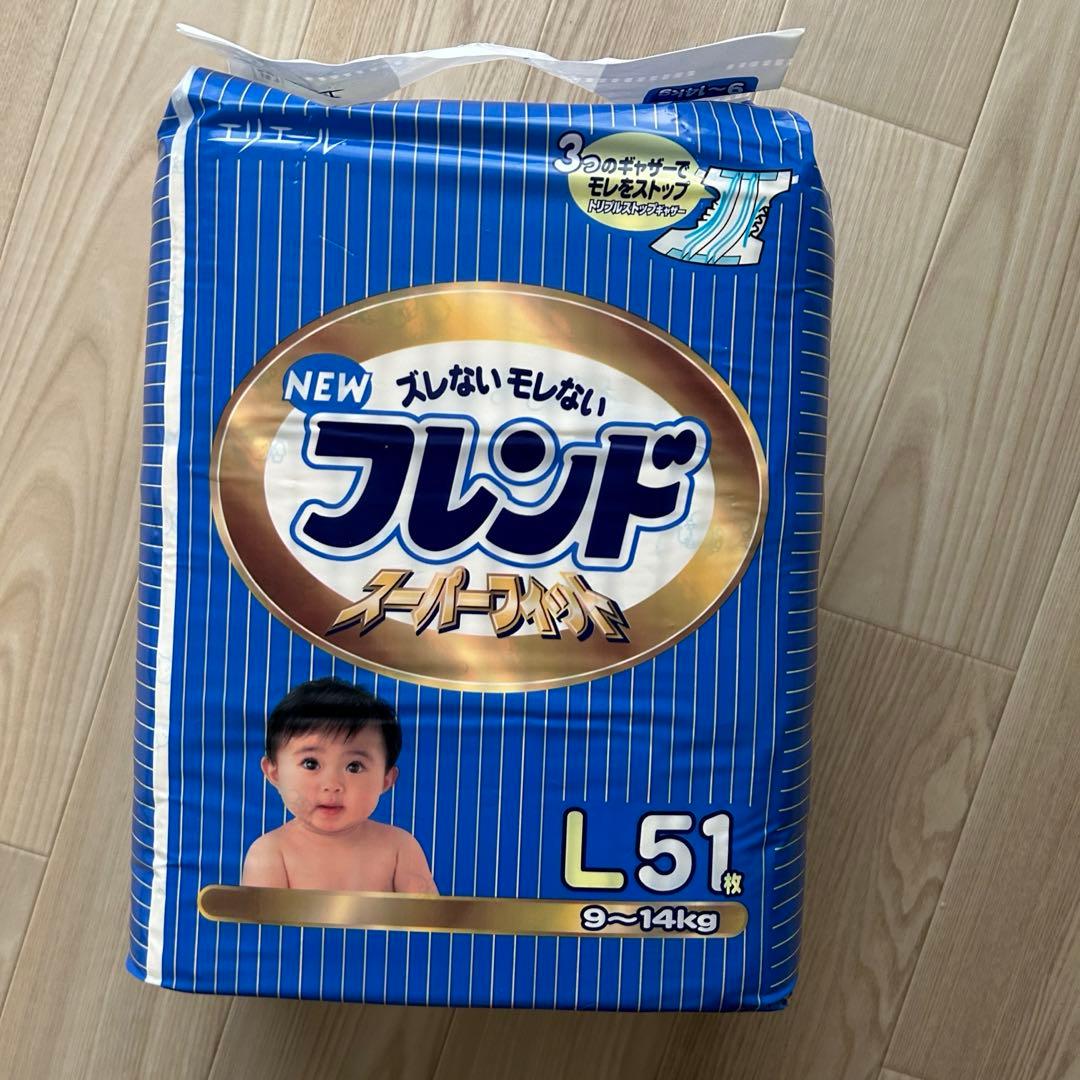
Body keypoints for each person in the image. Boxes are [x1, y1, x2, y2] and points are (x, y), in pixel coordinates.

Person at [241, 677, 438, 894]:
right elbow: (261, 918)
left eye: (354, 766)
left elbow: (429, 915)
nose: (332, 785)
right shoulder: (270, 853)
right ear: (274, 773)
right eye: (311, 763)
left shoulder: (400, 849)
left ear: (386, 779)